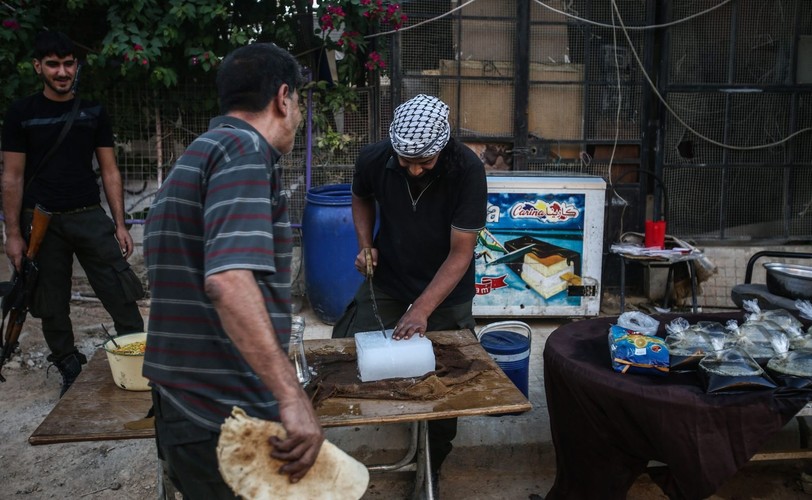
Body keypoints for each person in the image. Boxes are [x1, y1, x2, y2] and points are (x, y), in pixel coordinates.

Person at [142, 43, 324, 497]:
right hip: (219, 416)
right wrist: (291, 397)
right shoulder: (244, 151)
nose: (297, 115)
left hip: (189, 408)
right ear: (283, 98)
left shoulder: (198, 154)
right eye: (298, 102)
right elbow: (227, 281)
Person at [332, 93, 488, 495]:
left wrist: (421, 310)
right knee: (345, 351)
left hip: (446, 288)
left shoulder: (468, 170)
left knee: (449, 377)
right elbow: (361, 196)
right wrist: (366, 245)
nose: (415, 171)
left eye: (425, 163)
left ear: (444, 147)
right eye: (406, 162)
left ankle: (432, 465)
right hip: (390, 277)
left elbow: (461, 253)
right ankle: (363, 451)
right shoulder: (373, 158)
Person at [1, 31, 144, 397]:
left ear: (76, 66)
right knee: (50, 301)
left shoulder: (92, 111)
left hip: (88, 215)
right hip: (39, 222)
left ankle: (138, 360)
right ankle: (68, 365)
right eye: (53, 64)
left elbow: (110, 169)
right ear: (38, 67)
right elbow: (12, 176)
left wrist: (120, 223)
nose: (62, 71)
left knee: (120, 288)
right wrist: (13, 234)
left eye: (68, 63)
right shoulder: (21, 114)